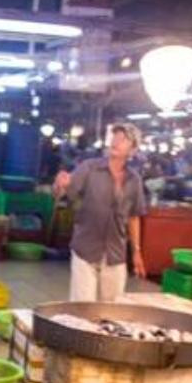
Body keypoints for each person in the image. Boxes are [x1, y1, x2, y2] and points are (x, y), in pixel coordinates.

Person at [52, 123, 147, 302]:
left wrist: (136, 251)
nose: (116, 142)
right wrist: (60, 185)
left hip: (115, 253)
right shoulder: (89, 168)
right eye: (115, 137)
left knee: (112, 309)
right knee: (82, 306)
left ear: (133, 149)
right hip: (85, 249)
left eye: (123, 139)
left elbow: (134, 217)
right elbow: (63, 194)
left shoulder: (134, 180)